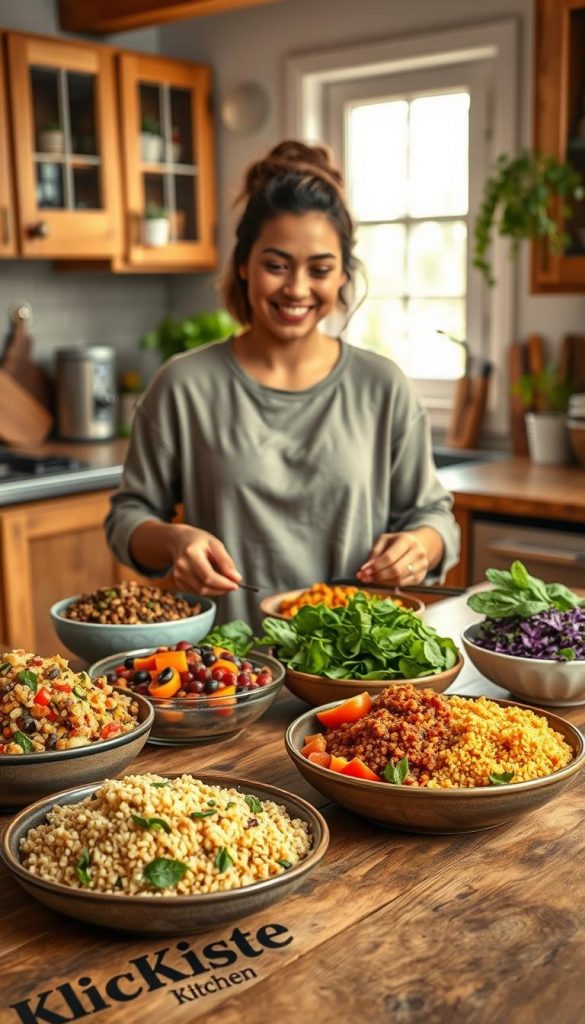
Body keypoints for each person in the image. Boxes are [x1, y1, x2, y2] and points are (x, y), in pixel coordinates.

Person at [105, 140, 459, 627]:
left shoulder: (383, 387)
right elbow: (128, 514)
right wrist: (175, 540)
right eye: (276, 265)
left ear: (341, 277)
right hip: (229, 676)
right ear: (244, 264)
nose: (296, 288)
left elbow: (434, 515)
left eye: (319, 269)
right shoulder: (183, 385)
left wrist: (419, 546)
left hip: (357, 672)